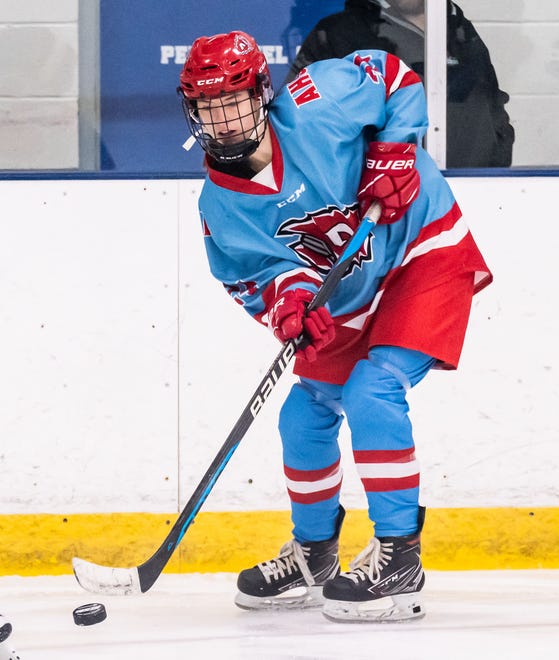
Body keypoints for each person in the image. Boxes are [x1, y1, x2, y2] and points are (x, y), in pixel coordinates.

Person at [178, 30, 492, 622]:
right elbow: (250, 277)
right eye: (208, 108)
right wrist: (288, 303)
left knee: (373, 390)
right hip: (351, 296)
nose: (223, 121)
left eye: (234, 102)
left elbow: (397, 78)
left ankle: (400, 556)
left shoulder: (318, 97)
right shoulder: (217, 206)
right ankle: (314, 554)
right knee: (303, 413)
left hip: (422, 250)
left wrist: (396, 150)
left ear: (261, 93)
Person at [284, 0, 515, 169]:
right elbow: (298, 123)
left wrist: (492, 173)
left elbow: (493, 113)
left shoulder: (460, 30)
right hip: (383, 209)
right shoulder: (339, 34)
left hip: (475, 196)